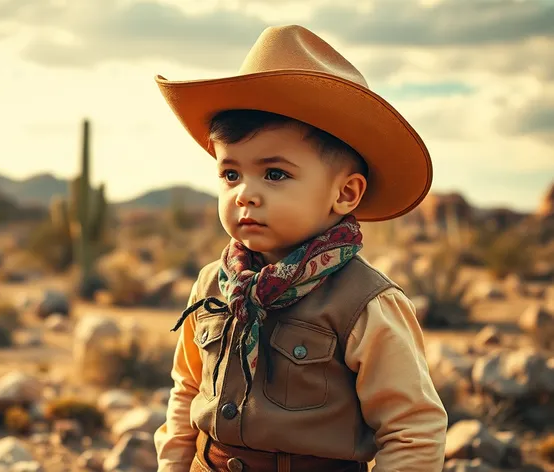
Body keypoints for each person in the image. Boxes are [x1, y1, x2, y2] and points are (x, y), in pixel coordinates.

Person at [151, 25, 448, 472]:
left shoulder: (366, 304)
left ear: (345, 194)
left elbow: (412, 430)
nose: (245, 193)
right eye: (231, 174)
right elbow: (188, 390)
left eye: (274, 174)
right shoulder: (213, 283)